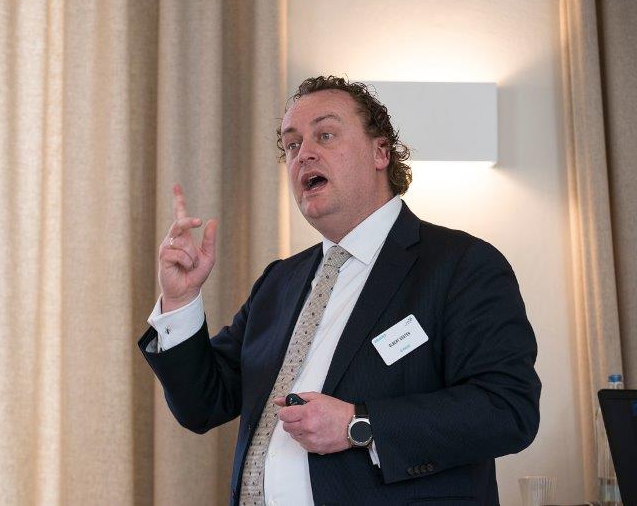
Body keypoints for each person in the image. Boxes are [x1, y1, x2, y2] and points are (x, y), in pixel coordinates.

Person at [138, 75, 541, 505]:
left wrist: (358, 424)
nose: (304, 153)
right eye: (292, 145)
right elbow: (203, 405)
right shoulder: (278, 282)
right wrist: (180, 301)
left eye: (325, 135)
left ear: (380, 152)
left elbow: (507, 409)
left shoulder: (461, 265)